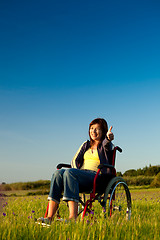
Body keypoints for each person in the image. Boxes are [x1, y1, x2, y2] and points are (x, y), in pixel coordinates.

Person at [37, 118, 114, 225]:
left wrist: (108, 138)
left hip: (98, 177)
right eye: (91, 128)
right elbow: (74, 160)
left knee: (70, 172)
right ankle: (49, 217)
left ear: (104, 131)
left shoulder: (106, 146)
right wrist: (75, 172)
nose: (93, 131)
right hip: (81, 175)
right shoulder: (85, 145)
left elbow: (107, 143)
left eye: (97, 129)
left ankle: (72, 218)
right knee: (58, 173)